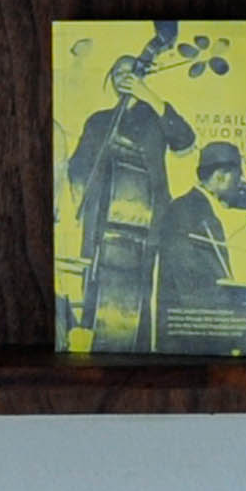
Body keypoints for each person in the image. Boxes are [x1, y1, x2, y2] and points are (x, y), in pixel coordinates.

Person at [63, 54, 196, 347]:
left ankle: (139, 351)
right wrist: (77, 195)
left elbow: (185, 140)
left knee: (140, 290)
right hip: (99, 218)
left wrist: (149, 95)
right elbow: (78, 167)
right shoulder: (98, 121)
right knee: (94, 288)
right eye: (116, 72)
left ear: (141, 76)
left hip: (147, 219)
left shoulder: (154, 115)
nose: (122, 76)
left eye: (129, 71)